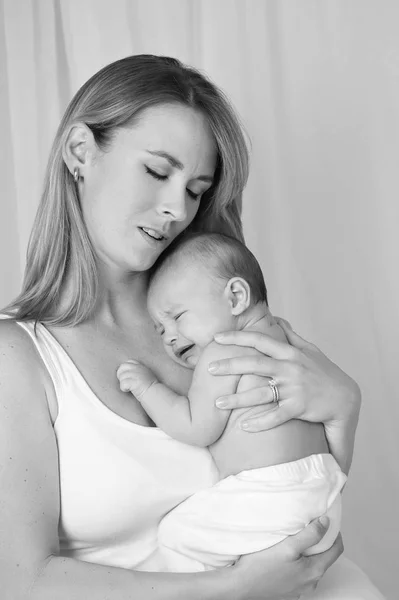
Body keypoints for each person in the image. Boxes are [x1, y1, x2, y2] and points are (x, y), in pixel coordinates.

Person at [0, 54, 381, 600]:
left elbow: (297, 494)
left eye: (197, 188)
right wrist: (236, 588)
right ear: (81, 152)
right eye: (157, 171)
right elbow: (19, 581)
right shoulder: (18, 359)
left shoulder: (212, 322)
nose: (177, 208)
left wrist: (345, 409)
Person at [117, 231, 348, 572]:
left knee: (174, 535)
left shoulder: (224, 350)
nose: (168, 336)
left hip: (271, 496)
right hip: (326, 499)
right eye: (159, 328)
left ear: (236, 297)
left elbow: (196, 427)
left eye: (177, 316)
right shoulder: (285, 340)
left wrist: (148, 387)